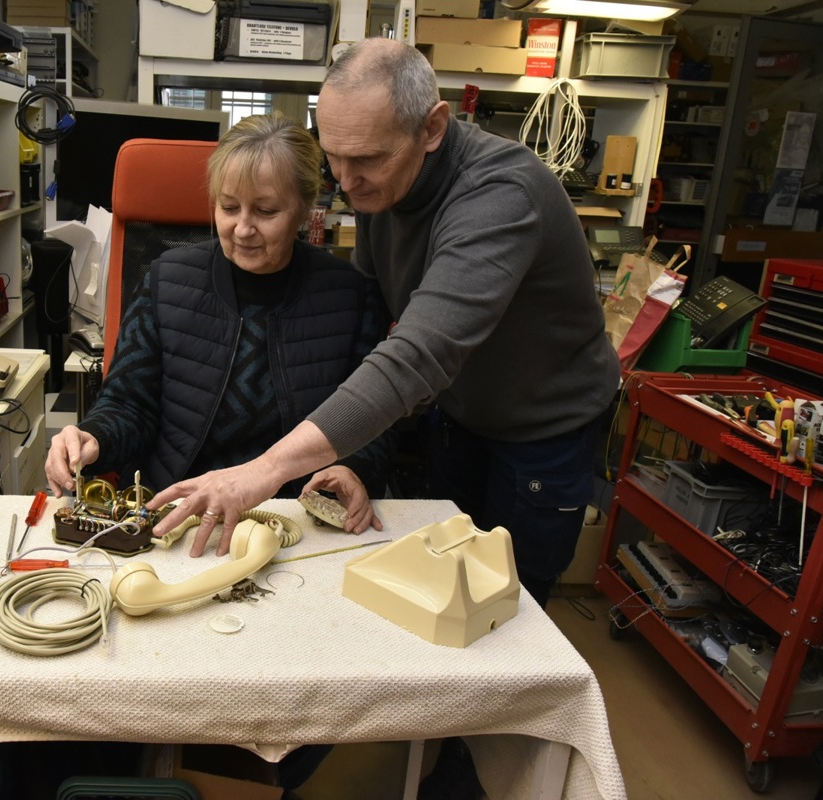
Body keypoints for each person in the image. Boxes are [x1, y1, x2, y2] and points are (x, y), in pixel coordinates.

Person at [149, 38, 619, 609]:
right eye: (334, 157)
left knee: (509, 607)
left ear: (433, 128)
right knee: (445, 589)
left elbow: (416, 355)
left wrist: (265, 471)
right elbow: (376, 333)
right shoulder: (380, 190)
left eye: (367, 159)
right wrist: (349, 462)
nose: (345, 181)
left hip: (540, 431)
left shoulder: (499, 197)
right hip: (458, 415)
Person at [45, 112, 393, 546]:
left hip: (298, 520)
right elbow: (129, 404)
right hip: (181, 513)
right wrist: (92, 436)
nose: (242, 228)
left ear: (305, 209)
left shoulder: (351, 297)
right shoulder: (166, 280)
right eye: (228, 207)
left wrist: (354, 468)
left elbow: (375, 421)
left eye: (266, 211)